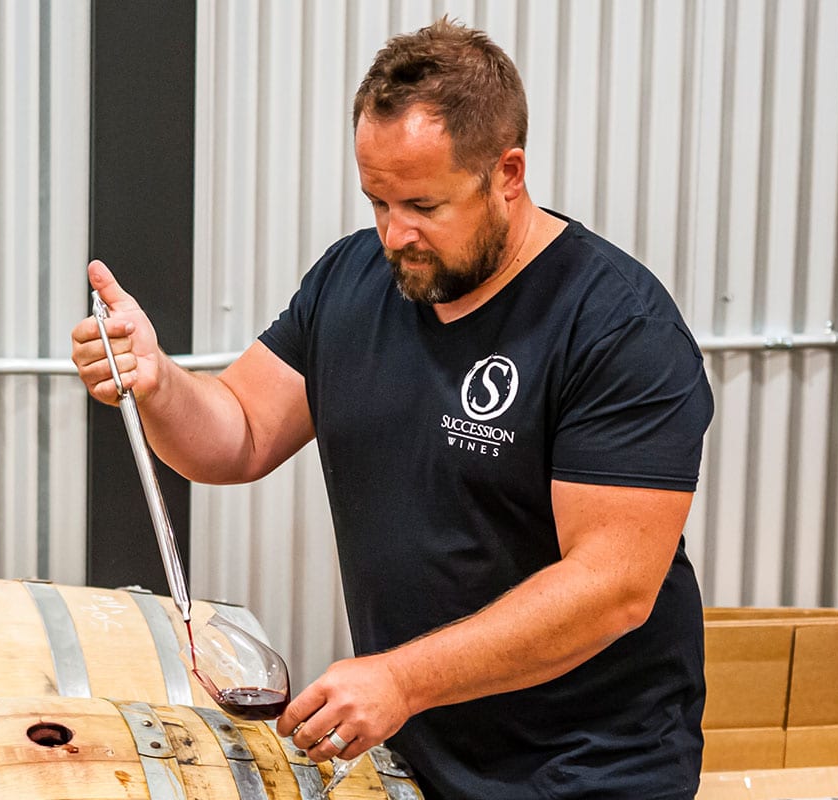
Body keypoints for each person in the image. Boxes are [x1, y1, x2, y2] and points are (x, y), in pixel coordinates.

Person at [73, 18, 713, 800]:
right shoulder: (352, 281)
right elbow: (236, 437)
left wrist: (402, 679)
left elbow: (611, 588)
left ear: (507, 173)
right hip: (422, 758)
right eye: (376, 200)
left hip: (589, 769)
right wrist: (158, 380)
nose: (393, 234)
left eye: (423, 204)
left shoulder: (616, 328)